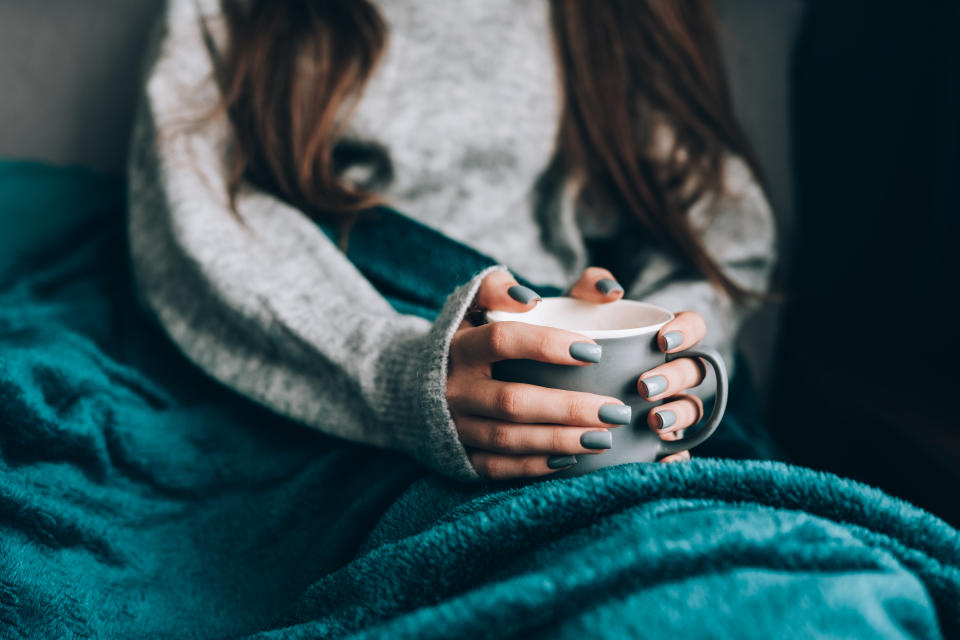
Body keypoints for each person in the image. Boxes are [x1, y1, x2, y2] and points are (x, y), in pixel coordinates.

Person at [128, 0, 775, 481]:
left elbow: (720, 232)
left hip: (569, 387)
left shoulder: (618, 18)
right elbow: (196, 207)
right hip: (331, 366)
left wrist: (671, 358)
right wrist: (402, 376)